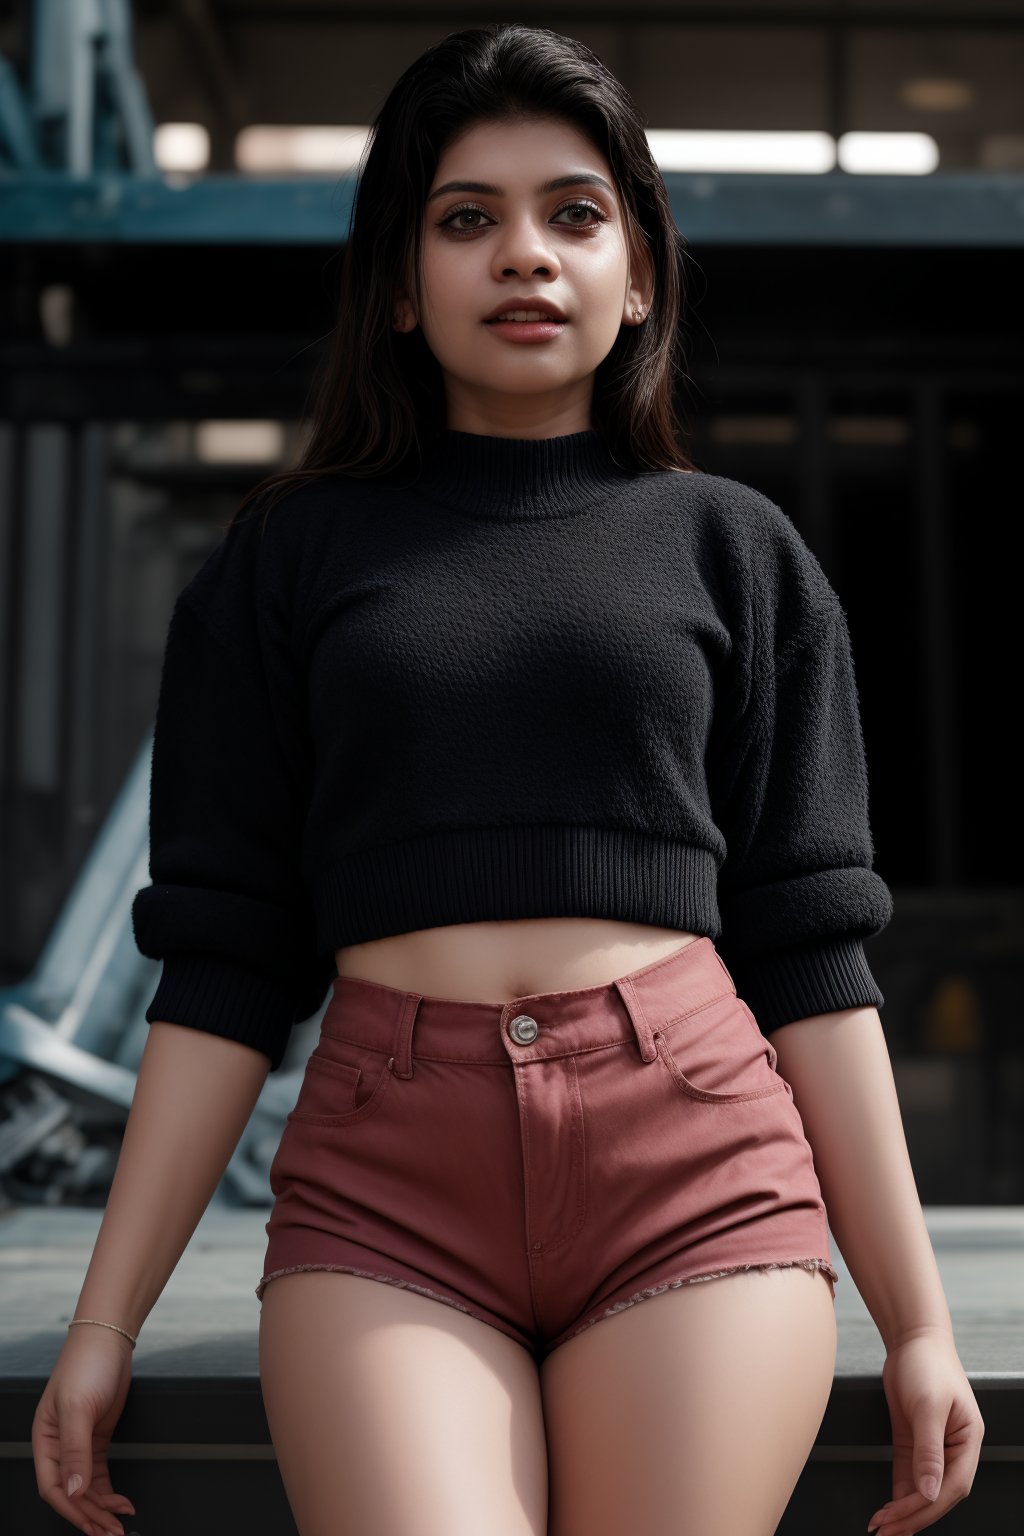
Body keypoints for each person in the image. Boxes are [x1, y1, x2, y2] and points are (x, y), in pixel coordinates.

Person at [33, 22, 982, 1536]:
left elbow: (813, 953)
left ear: (643, 274)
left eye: (576, 214)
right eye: (467, 218)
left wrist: (918, 1323)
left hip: (693, 1163)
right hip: (385, 1186)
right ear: (400, 288)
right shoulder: (283, 563)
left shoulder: (737, 551)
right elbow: (223, 966)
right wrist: (103, 1329)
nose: (526, 255)